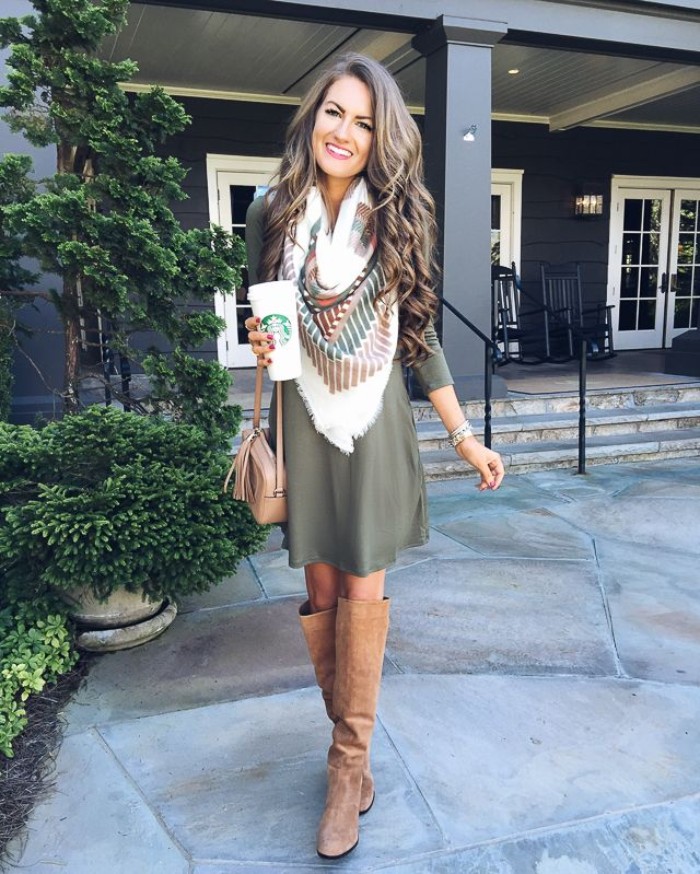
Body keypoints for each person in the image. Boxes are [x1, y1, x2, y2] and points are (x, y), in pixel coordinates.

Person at [244, 53, 504, 860]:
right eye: (334, 113)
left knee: (363, 596)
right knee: (323, 598)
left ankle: (343, 769)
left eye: (363, 122)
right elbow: (268, 317)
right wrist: (256, 340)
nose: (344, 132)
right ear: (312, 118)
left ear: (379, 138)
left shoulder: (398, 220)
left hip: (376, 424)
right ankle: (351, 768)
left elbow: (418, 339)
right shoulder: (271, 213)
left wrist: (465, 434)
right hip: (304, 422)